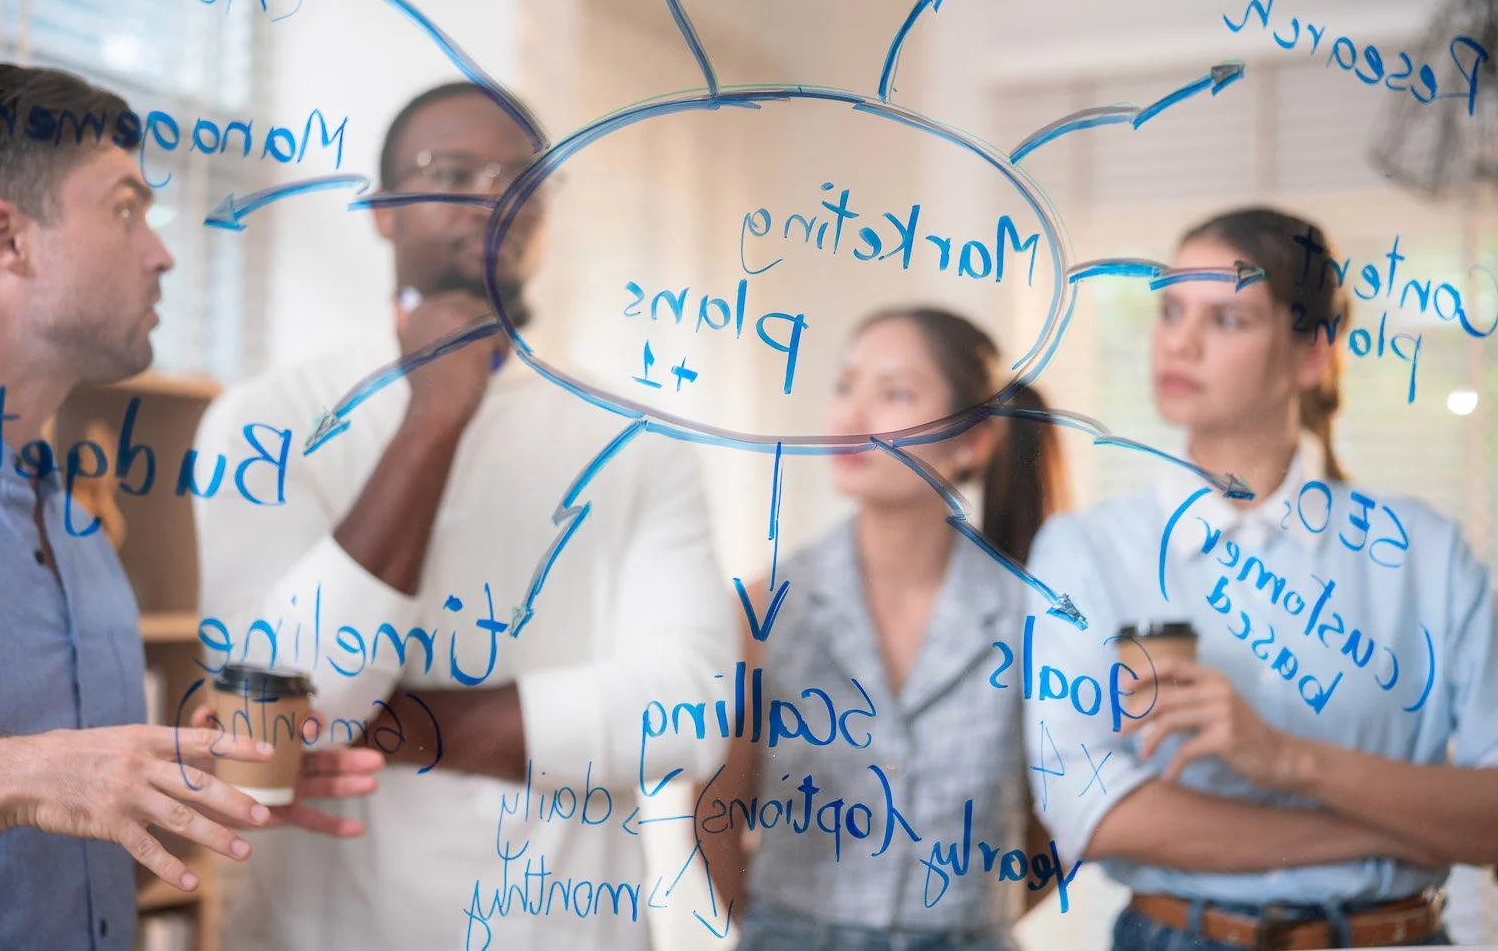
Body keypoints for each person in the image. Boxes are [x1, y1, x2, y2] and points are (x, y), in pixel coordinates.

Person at [192, 80, 737, 950]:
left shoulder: (638, 439)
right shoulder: (269, 421)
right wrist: (431, 421)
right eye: (453, 170)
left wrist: (399, 724)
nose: (496, 195)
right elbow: (282, 719)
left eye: (522, 177)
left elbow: (693, 712)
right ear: (381, 212)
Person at [0, 61, 381, 947]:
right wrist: (8, 780)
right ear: (6, 238)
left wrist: (192, 778)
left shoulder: (77, 519)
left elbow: (70, 840)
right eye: (125, 208)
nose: (161, 252)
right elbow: (34, 787)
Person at [1026, 207, 1498, 951]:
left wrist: (1285, 759)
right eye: (1172, 309)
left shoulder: (1429, 555)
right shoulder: (1084, 551)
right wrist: (1386, 830)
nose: (1179, 340)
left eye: (1229, 319)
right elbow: (1094, 812)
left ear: (1312, 353)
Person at [700, 308, 1071, 951]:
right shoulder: (766, 609)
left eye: (895, 392)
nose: (852, 416)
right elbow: (713, 814)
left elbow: (1064, 825)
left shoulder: (1034, 619)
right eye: (846, 386)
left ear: (973, 440)